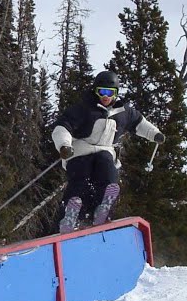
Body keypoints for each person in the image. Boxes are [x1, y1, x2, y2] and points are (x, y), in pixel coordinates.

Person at [50, 70, 164, 233]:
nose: (105, 96)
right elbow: (62, 128)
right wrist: (64, 146)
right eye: (102, 92)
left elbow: (140, 123)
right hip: (81, 150)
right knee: (81, 178)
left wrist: (154, 134)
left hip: (105, 150)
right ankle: (70, 214)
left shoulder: (123, 112)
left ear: (116, 93)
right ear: (95, 91)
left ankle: (103, 209)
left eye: (110, 92)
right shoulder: (84, 108)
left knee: (108, 170)